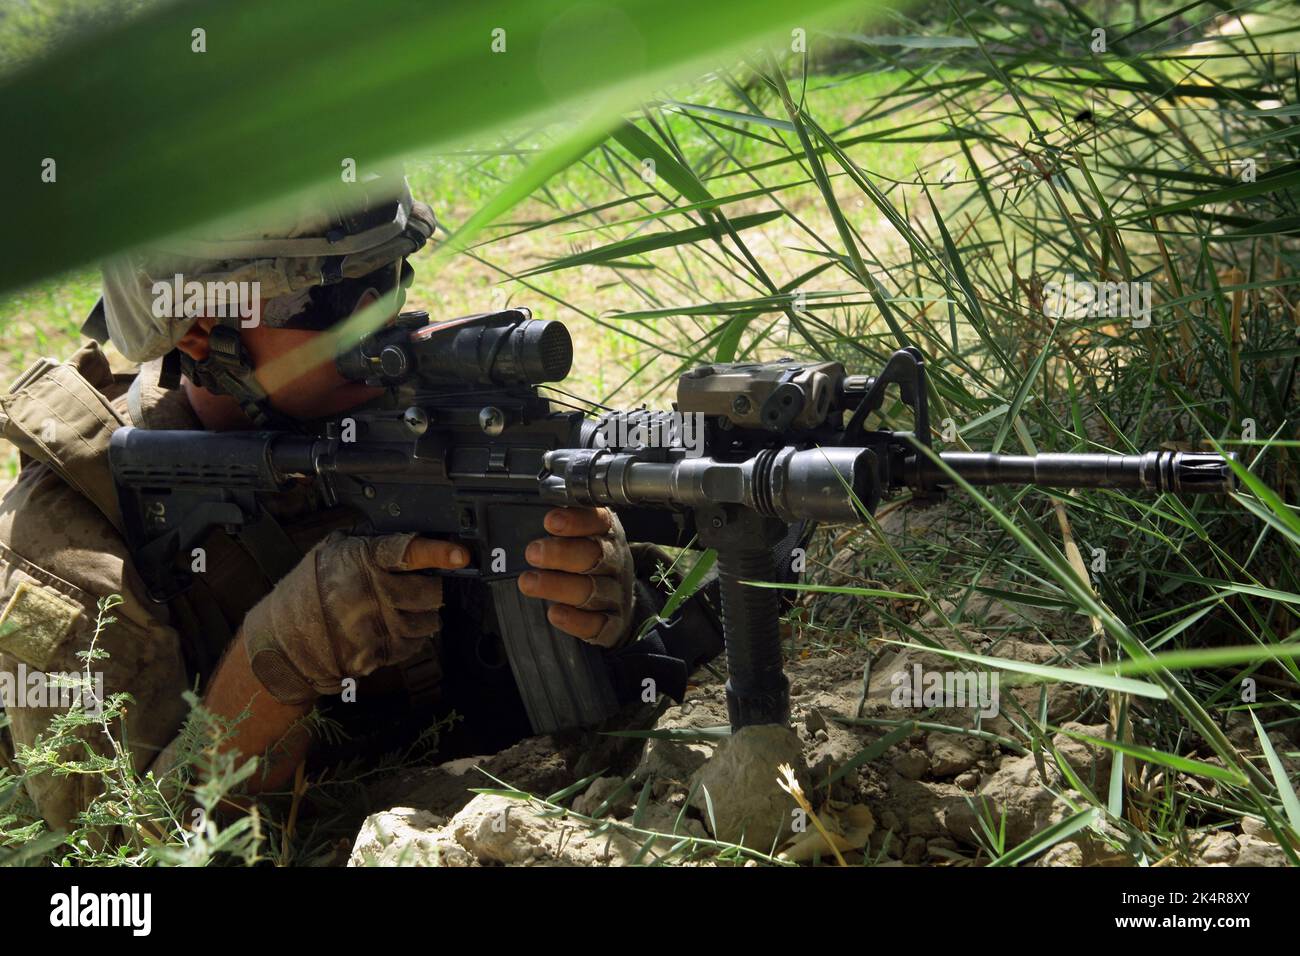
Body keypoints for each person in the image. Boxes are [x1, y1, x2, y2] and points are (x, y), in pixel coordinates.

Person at [0, 175, 709, 837]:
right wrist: (279, 658)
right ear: (198, 332)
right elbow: (118, 844)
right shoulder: (79, 535)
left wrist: (596, 586)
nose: (377, 323)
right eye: (330, 302)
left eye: (387, 279)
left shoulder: (429, 415)